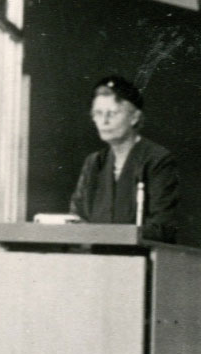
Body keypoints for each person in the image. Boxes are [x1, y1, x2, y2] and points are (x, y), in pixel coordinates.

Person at [70, 74, 181, 242]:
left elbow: (162, 228)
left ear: (134, 117)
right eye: (98, 113)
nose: (104, 121)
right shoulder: (94, 163)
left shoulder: (157, 160)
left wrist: (101, 234)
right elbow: (77, 219)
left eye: (112, 113)